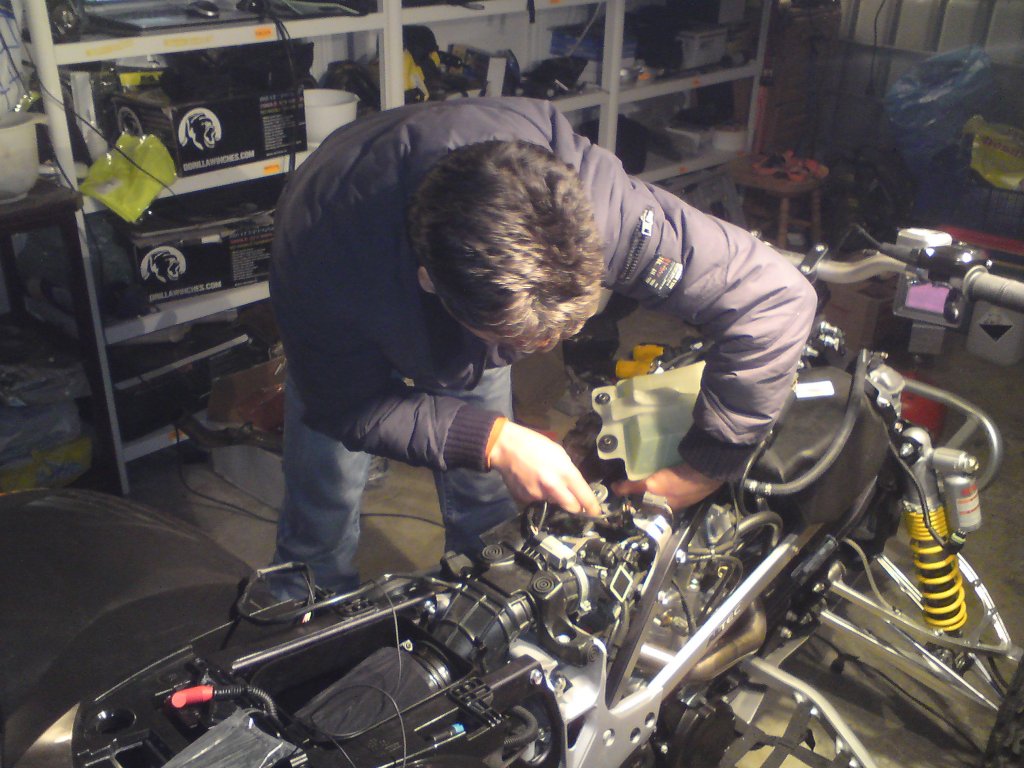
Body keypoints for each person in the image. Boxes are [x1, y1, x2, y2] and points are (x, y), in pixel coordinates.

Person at [268, 97, 817, 600]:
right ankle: (301, 600)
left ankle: (487, 591)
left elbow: (775, 297)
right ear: (432, 284)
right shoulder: (322, 259)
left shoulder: (600, 208)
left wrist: (706, 466)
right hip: (348, 248)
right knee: (325, 487)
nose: (548, 348)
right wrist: (497, 440)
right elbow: (343, 404)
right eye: (519, 340)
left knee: (489, 486)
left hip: (463, 287)